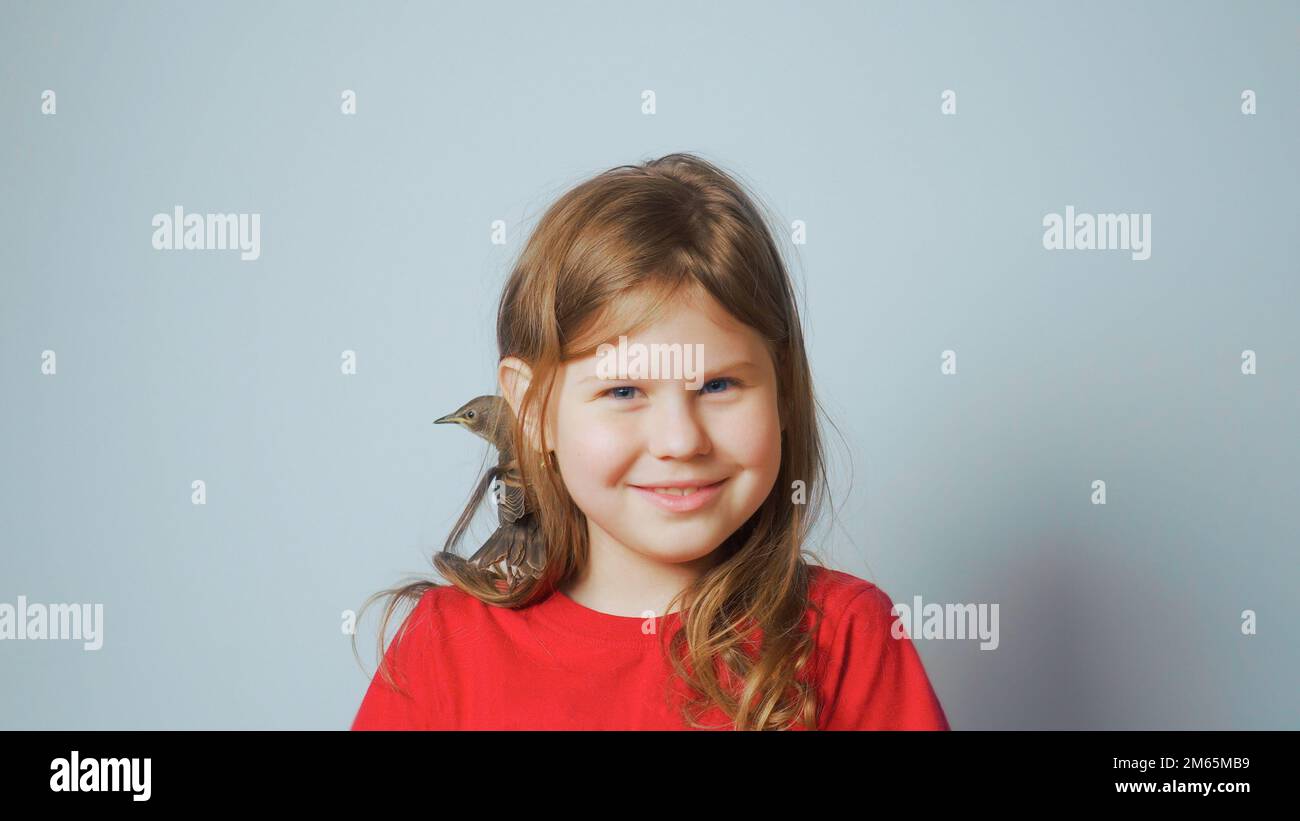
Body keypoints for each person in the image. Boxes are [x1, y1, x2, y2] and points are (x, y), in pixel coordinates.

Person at [350, 153, 950, 730]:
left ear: (783, 391)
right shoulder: (445, 647)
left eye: (717, 384)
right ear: (532, 409)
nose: (680, 440)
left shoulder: (846, 637)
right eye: (624, 392)